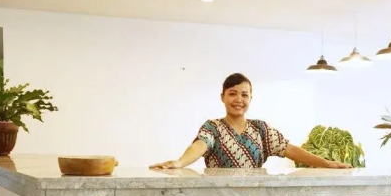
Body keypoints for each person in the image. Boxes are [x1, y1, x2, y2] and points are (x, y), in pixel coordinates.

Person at [149, 73, 352, 170]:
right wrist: (179, 162)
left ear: (250, 98)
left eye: (244, 95)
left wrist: (326, 163)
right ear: (222, 97)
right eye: (232, 93)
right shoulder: (213, 127)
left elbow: (289, 149)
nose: (239, 99)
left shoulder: (261, 129)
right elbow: (200, 145)